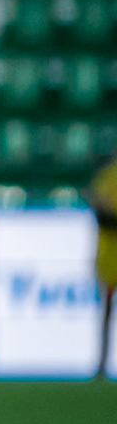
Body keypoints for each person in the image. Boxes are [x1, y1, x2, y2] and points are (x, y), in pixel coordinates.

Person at [89, 161, 117, 380]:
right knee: (106, 312)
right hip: (109, 257)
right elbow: (101, 214)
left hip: (108, 255)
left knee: (106, 313)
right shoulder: (108, 176)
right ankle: (102, 364)